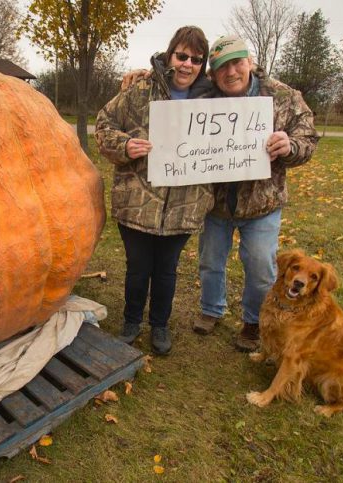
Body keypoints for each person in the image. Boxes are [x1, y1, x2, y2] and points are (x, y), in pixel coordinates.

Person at [120, 35, 319, 352]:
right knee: (211, 262)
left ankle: (253, 323)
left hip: (262, 205)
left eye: (237, 63)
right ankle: (211, 309)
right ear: (213, 73)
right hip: (216, 205)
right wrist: (142, 74)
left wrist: (290, 146)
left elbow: (308, 137)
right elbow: (173, 79)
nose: (231, 72)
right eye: (222, 66)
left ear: (250, 62)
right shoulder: (206, 94)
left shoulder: (282, 97)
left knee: (259, 266)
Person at [95, 26, 215, 355]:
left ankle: (160, 325)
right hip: (137, 201)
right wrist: (125, 145)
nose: (187, 64)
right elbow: (104, 125)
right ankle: (132, 321)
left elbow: (247, 87)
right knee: (137, 268)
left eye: (196, 59)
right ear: (169, 54)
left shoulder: (212, 100)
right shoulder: (140, 90)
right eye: (181, 56)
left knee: (166, 270)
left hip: (184, 205)